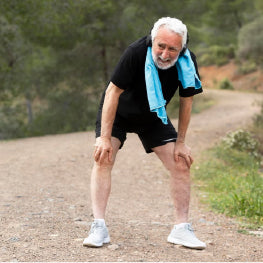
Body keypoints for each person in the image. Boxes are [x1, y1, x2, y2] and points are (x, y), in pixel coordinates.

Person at [83, 17, 206, 250]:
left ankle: (181, 229)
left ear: (182, 48)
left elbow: (186, 101)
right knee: (104, 156)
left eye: (173, 49)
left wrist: (181, 142)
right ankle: (99, 226)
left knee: (181, 162)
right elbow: (112, 92)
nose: (165, 54)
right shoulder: (136, 52)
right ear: (152, 41)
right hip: (118, 112)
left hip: (153, 114)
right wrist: (105, 137)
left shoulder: (188, 62)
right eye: (161, 46)